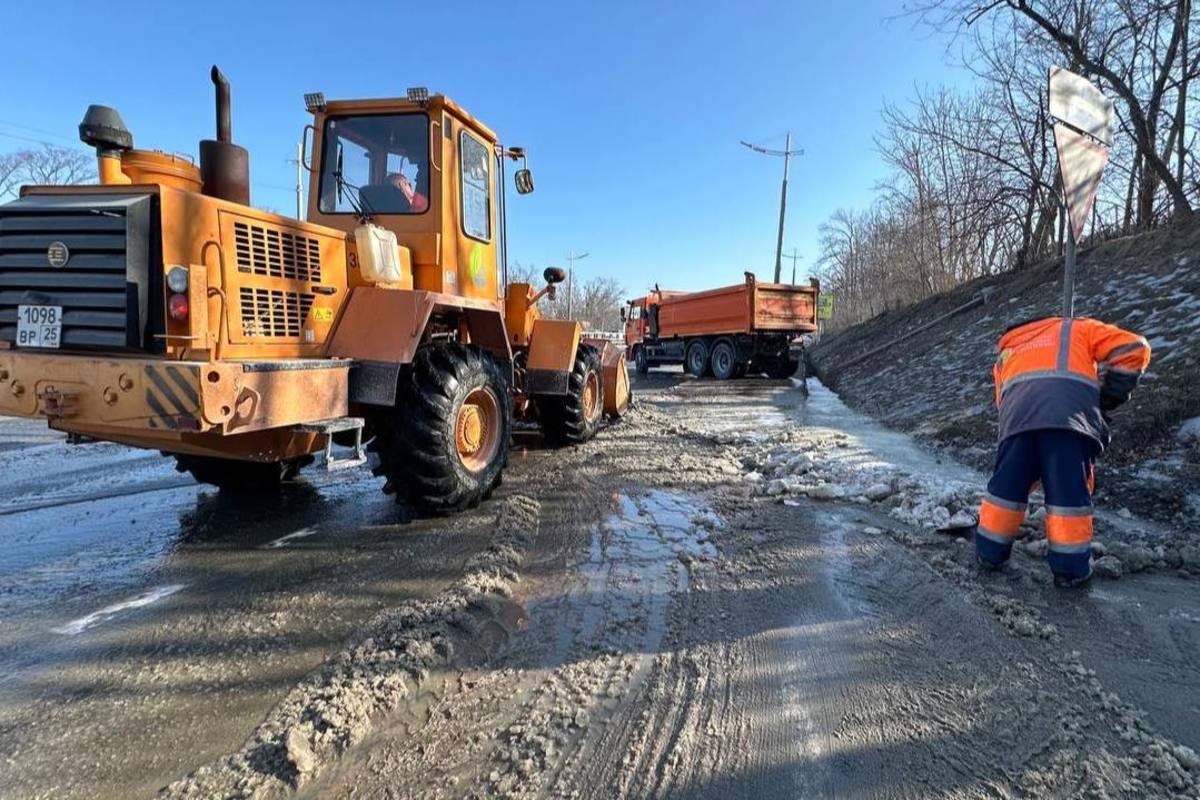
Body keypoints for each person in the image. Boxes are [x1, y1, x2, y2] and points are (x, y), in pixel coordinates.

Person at [975, 316, 1151, 587]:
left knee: (1006, 490)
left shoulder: (1006, 353)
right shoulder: (1077, 328)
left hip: (1016, 422)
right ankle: (1070, 570)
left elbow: (1003, 400)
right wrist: (1109, 396)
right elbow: (1134, 347)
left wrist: (1029, 466)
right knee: (1067, 496)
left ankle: (989, 553)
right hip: (1067, 420)